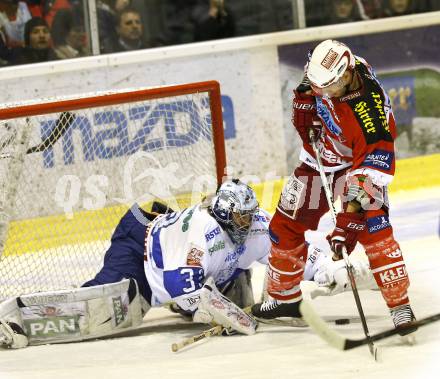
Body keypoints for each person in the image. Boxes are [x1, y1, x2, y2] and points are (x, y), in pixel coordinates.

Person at [0, 178, 375, 348]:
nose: (249, 224)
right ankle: (13, 319)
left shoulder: (253, 223)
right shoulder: (203, 232)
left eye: (251, 216)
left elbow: (292, 254)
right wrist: (239, 319)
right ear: (227, 215)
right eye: (241, 219)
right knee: (111, 306)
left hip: (190, 265)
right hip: (142, 254)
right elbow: (186, 288)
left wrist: (329, 268)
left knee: (240, 286)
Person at [251, 39, 418, 337]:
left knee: (375, 233)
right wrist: (305, 99)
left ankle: (400, 305)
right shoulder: (332, 71)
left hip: (359, 168)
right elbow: (310, 79)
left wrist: (348, 220)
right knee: (284, 224)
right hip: (320, 159)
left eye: (327, 88)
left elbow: (369, 174)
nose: (322, 92)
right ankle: (286, 298)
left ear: (346, 75)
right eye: (319, 87)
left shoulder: (370, 118)